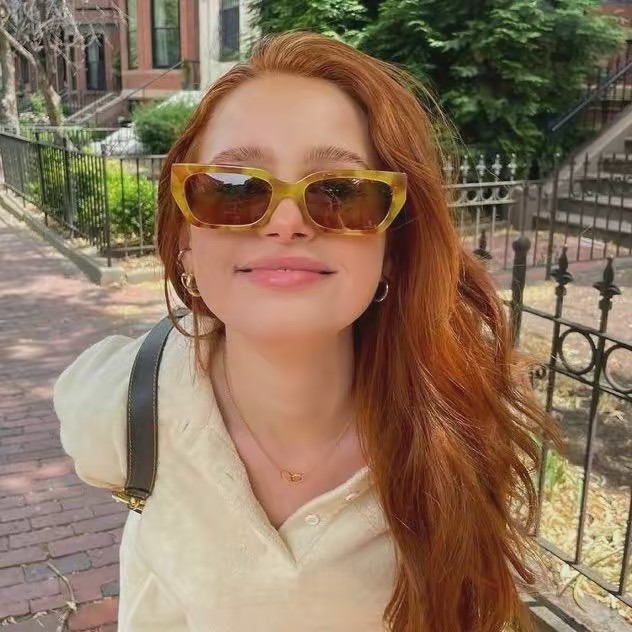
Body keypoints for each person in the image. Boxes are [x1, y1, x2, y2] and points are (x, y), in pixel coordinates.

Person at [53, 30, 564, 632]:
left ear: (393, 248)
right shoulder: (116, 405)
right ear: (185, 239)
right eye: (235, 188)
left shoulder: (459, 421)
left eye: (340, 192)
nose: (286, 222)